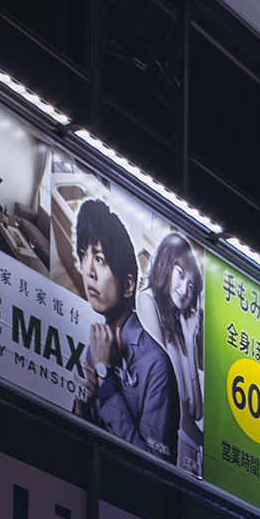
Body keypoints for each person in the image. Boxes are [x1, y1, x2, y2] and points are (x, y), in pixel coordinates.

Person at [74, 201, 178, 460]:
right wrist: (81, 408)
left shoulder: (156, 364)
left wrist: (105, 378)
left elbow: (153, 464)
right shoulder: (96, 344)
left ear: (128, 285)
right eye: (83, 255)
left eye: (99, 259)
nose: (88, 271)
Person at [145, 232, 205, 476]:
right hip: (166, 443)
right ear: (166, 265)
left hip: (189, 448)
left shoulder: (177, 326)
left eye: (191, 286)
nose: (184, 290)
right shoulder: (147, 301)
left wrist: (190, 341)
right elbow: (168, 398)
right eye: (180, 275)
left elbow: (197, 410)